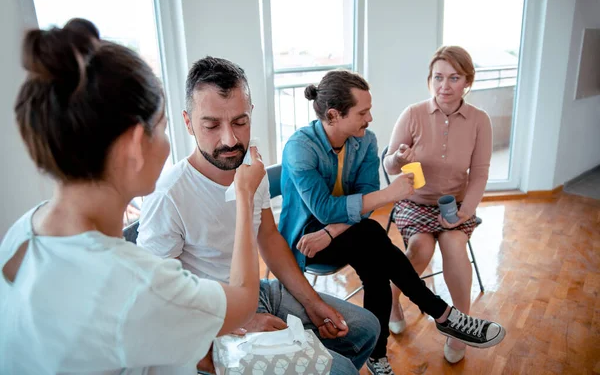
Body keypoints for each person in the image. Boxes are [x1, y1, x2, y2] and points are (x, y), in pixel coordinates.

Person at [0, 19, 266, 375]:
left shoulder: (22, 233)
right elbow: (245, 300)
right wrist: (245, 194)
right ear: (136, 144)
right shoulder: (140, 287)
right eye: (162, 127)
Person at [137, 56, 380, 375]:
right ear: (187, 122)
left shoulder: (252, 169)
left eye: (240, 122)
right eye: (211, 125)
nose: (230, 140)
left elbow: (268, 237)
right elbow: (152, 298)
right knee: (341, 371)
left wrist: (311, 301)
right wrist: (235, 324)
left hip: (259, 292)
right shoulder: (170, 193)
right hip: (209, 315)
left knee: (365, 330)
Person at [278, 69, 505, 374]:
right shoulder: (299, 147)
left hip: (341, 233)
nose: (370, 118)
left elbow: (366, 199)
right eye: (363, 111)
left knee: (375, 267)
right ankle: (442, 315)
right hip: (308, 239)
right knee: (371, 236)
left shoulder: (364, 141)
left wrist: (333, 232)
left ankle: (380, 349)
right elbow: (324, 209)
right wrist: (388, 194)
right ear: (333, 115)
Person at [383, 45, 493, 363]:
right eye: (438, 77)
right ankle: (392, 298)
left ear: (467, 81)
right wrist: (399, 158)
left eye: (454, 78)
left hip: (454, 204)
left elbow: (481, 173)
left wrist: (463, 213)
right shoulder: (413, 113)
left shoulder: (479, 121)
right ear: (430, 79)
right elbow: (390, 165)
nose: (444, 86)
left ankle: (460, 326)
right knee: (422, 249)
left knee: (454, 247)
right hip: (414, 201)